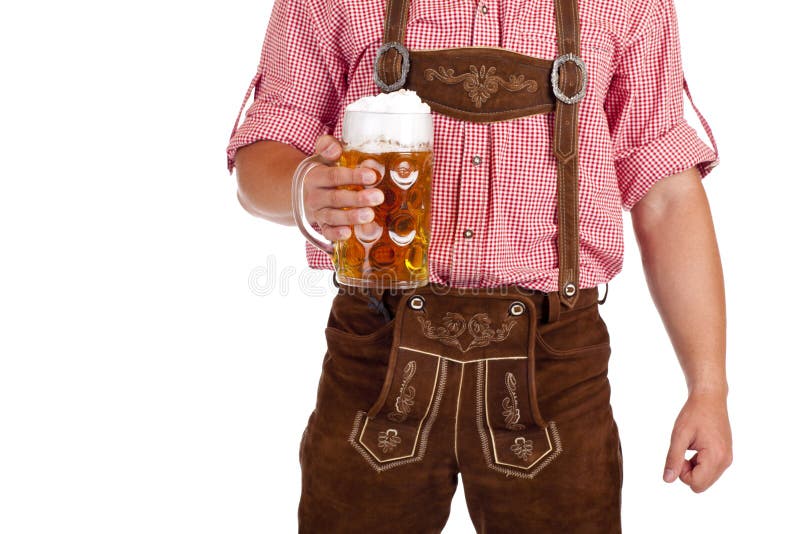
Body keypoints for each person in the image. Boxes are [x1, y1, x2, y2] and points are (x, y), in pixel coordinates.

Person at [225, 0, 732, 531]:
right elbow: (260, 157)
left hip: (556, 362)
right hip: (376, 348)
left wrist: (708, 387)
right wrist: (304, 186)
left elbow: (667, 192)